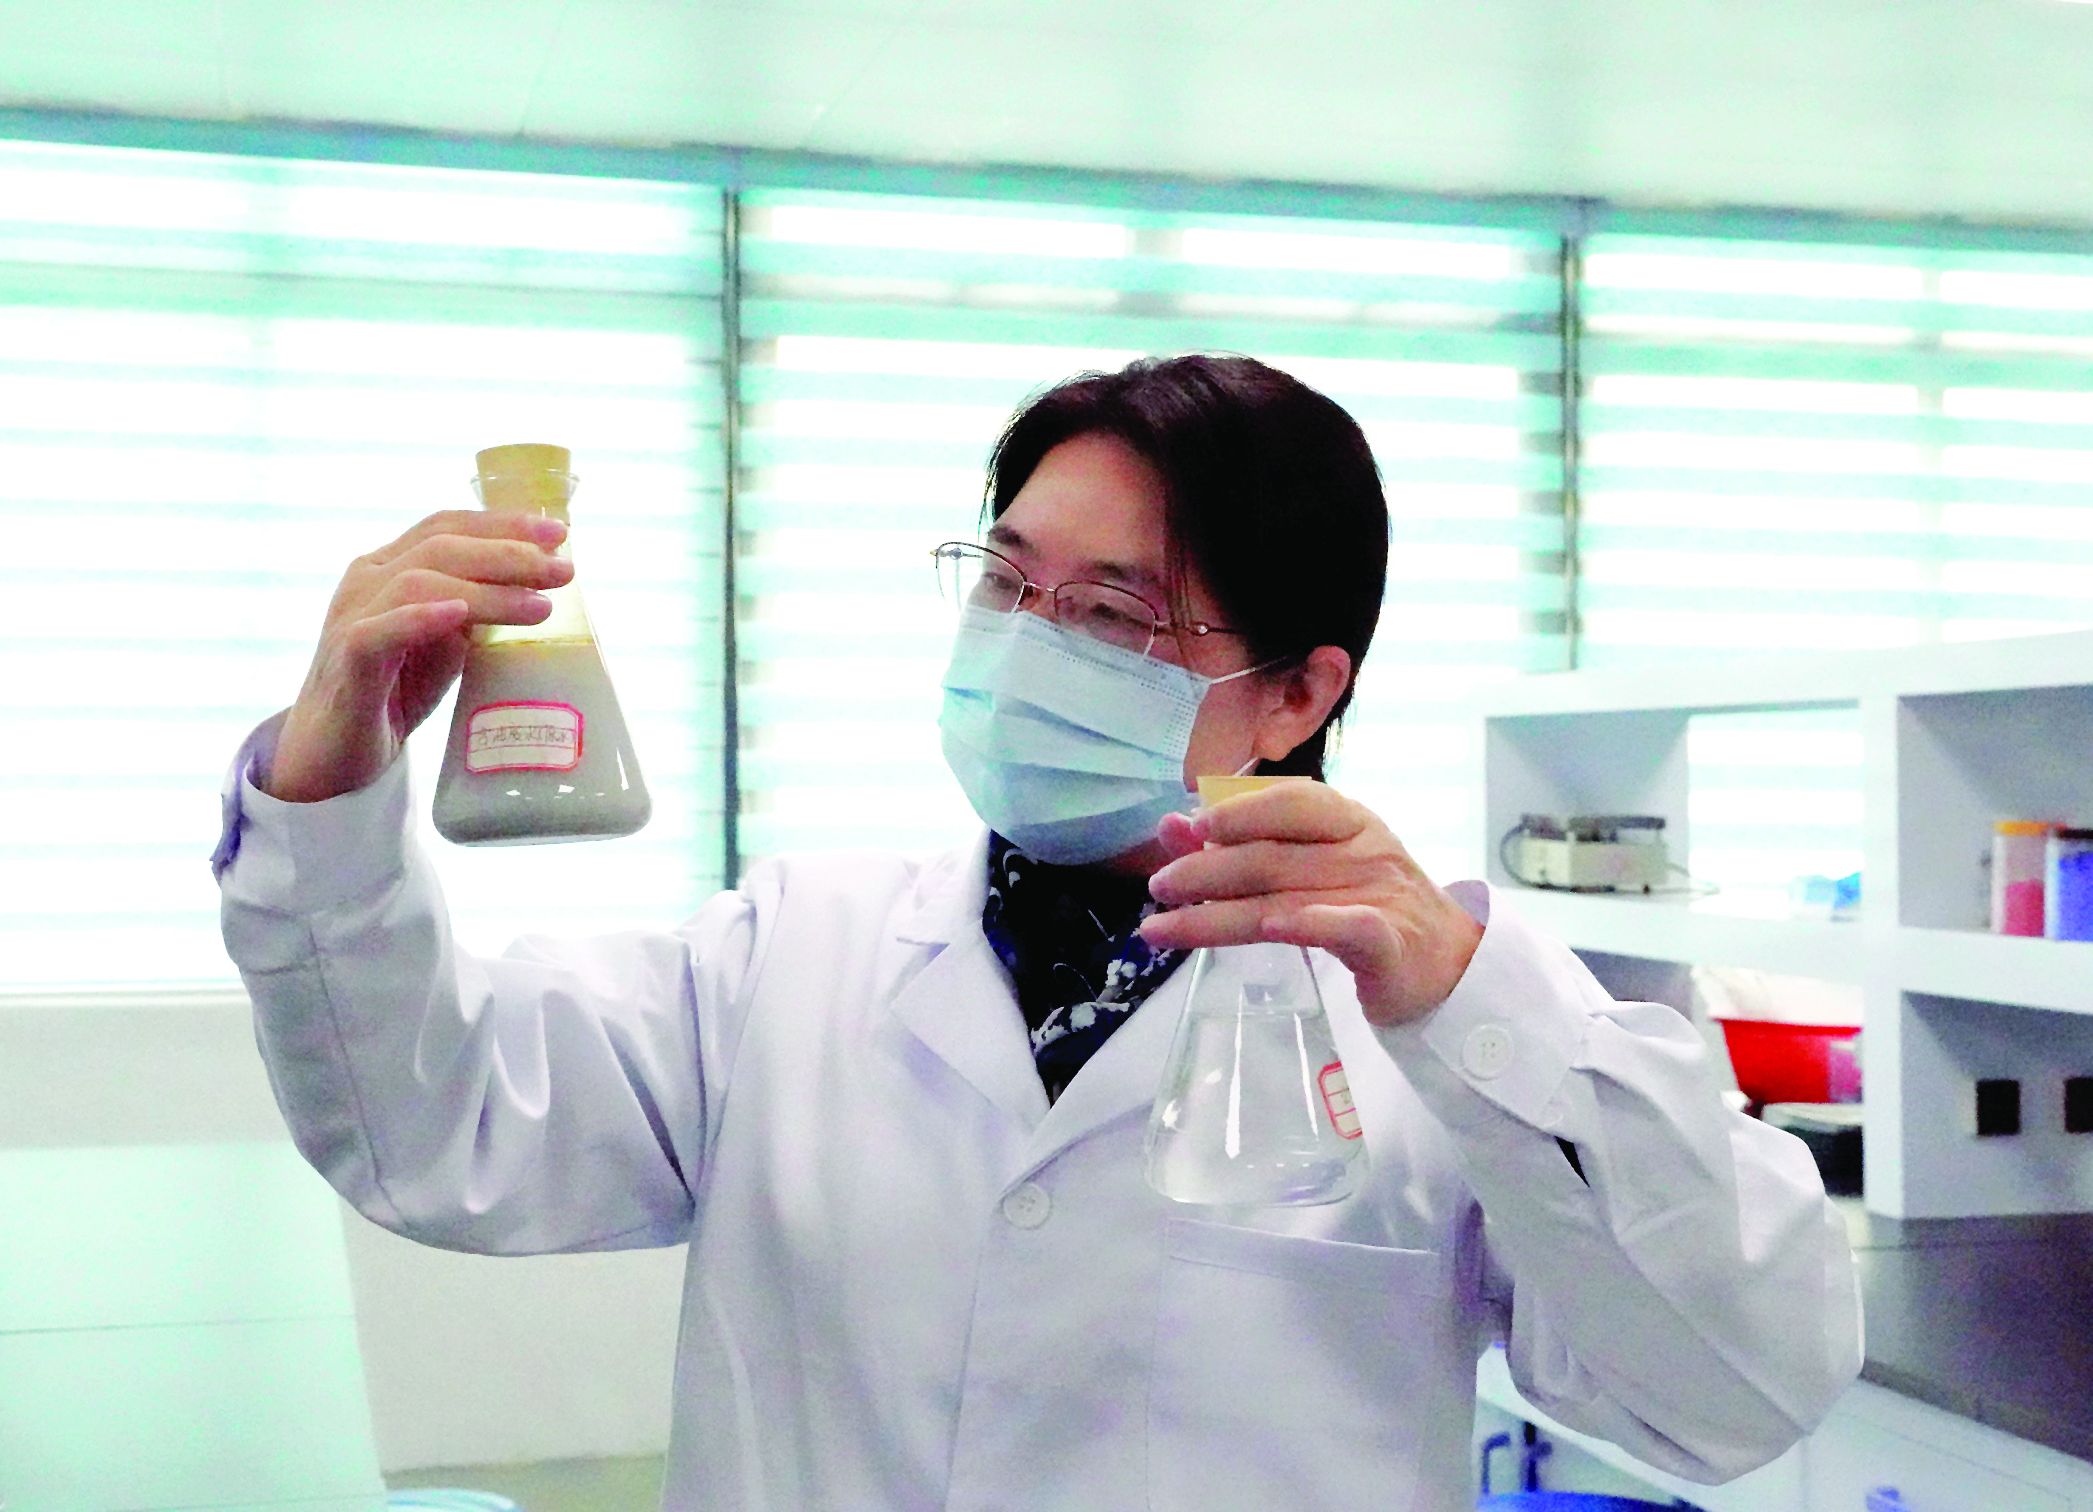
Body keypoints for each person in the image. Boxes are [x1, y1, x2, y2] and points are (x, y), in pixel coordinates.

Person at [216, 355, 1861, 1511]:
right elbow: (434, 1134)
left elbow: (1734, 1391)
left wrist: (1472, 1012)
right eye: (1008, 584)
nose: (1027, 646)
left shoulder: (1446, 1019)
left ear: (1297, 693)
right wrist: (332, 773)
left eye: (1114, 611)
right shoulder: (797, 949)